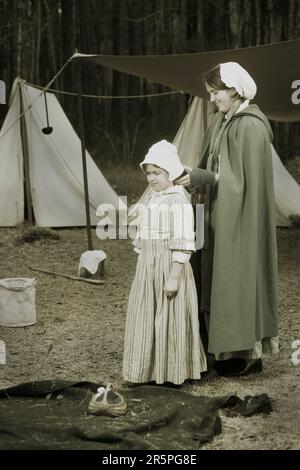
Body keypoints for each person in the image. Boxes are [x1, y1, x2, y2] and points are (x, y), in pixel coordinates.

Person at [176, 62, 279, 376]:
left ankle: (242, 354)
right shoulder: (222, 121)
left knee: (234, 278)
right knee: (206, 275)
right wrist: (190, 177)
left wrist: (204, 176)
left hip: (240, 219)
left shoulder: (251, 126)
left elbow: (242, 184)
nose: (212, 99)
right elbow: (211, 165)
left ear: (234, 89)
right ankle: (215, 349)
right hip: (214, 213)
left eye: (215, 92)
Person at [122, 140, 207, 385]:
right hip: (149, 267)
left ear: (170, 172)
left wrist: (173, 276)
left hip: (169, 268)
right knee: (147, 316)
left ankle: (172, 371)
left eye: (157, 173)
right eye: (148, 173)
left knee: (169, 319)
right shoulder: (155, 198)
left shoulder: (178, 200)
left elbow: (182, 241)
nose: (151, 178)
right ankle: (147, 369)